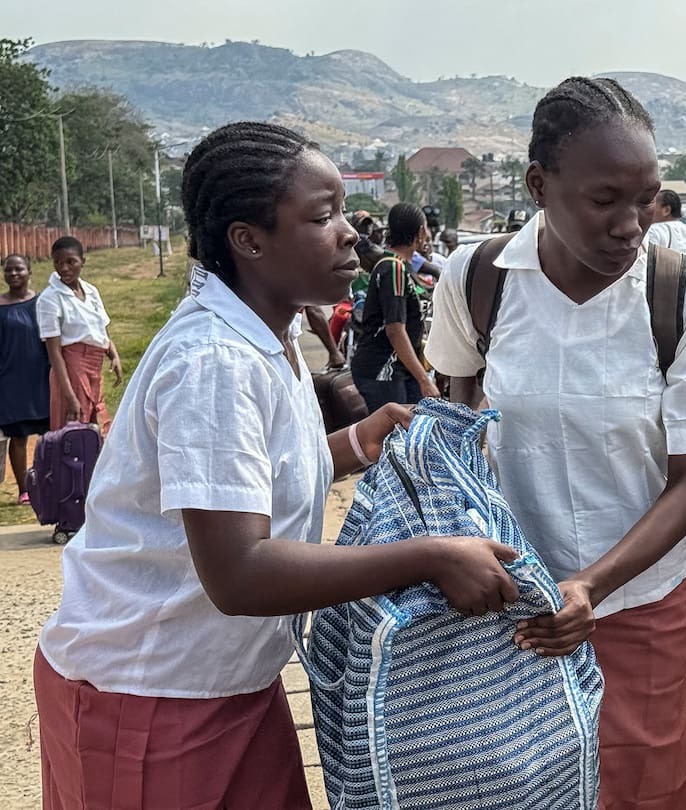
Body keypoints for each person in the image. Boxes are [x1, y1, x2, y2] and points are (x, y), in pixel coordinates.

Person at [32, 121, 519, 810]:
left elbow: (240, 486)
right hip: (149, 696)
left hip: (231, 682)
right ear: (249, 240)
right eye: (323, 217)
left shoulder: (272, 333)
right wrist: (432, 556)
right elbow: (239, 571)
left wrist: (353, 445)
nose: (350, 231)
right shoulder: (215, 363)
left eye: (345, 211)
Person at [427, 76, 686, 809]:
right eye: (605, 200)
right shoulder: (479, 281)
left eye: (645, 200)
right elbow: (453, 426)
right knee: (510, 786)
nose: (631, 225)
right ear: (540, 185)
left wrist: (589, 588)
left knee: (639, 788)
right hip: (504, 612)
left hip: (638, 608)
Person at [350, 202, 439, 411]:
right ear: (418, 232)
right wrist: (424, 379)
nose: (427, 235)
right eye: (425, 228)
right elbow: (395, 330)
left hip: (400, 369)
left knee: (412, 430)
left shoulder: (399, 265)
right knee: (394, 437)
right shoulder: (393, 268)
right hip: (383, 370)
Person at [35, 237, 122, 433]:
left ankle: (92, 465)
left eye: (70, 262)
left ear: (83, 261)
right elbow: (54, 353)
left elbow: (100, 329)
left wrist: (113, 355)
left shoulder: (91, 291)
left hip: (94, 365)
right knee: (73, 430)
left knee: (95, 424)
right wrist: (69, 395)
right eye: (58, 262)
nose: (64, 268)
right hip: (71, 367)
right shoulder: (49, 299)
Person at [0, 254, 50, 505]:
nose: (14, 273)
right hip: (11, 382)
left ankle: (49, 481)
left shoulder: (43, 302)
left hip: (41, 378)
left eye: (19, 269)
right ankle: (24, 490)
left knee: (49, 435)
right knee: (18, 437)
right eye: (8, 270)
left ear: (30, 272)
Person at [643, 188, 686, 258]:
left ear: (666, 210)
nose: (647, 210)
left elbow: (645, 261)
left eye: (651, 205)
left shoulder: (653, 231)